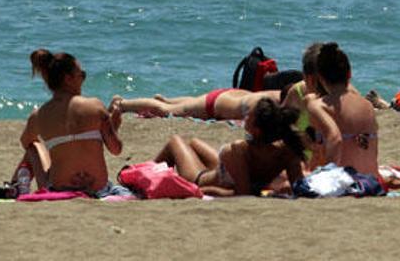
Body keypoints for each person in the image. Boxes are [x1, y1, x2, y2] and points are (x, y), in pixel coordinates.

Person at [15, 49, 127, 198]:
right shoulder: (95, 106)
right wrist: (115, 125)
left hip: (59, 188)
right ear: (68, 79)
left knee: (33, 146)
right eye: (82, 75)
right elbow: (116, 149)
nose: (83, 79)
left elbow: (25, 142)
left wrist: (57, 145)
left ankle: (17, 185)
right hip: (98, 189)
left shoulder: (39, 115)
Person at [153, 98, 304, 196]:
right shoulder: (288, 150)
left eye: (248, 116)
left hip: (200, 179)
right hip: (221, 172)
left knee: (175, 141)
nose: (245, 118)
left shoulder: (241, 149)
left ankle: (142, 177)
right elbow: (299, 187)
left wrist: (207, 191)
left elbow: (242, 193)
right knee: (193, 142)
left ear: (256, 130)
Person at [298, 42, 379, 175]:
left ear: (320, 77)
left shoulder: (318, 105)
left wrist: (328, 178)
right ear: (349, 74)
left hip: (345, 181)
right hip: (371, 180)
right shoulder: (367, 105)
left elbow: (335, 139)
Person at [109, 88, 282, 120]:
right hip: (214, 105)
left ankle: (165, 99)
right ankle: (122, 104)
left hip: (229, 95)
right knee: (167, 111)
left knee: (192, 102)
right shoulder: (266, 106)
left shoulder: (277, 94)